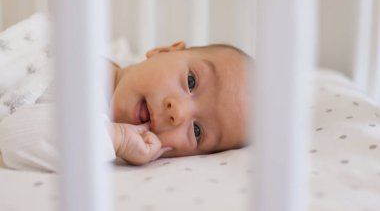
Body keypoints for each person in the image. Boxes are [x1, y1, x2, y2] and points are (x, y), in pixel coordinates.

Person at [0, 41, 252, 171]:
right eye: (191, 81)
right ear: (163, 50)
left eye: (197, 131)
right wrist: (117, 137)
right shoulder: (83, 77)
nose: (179, 113)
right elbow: (11, 136)